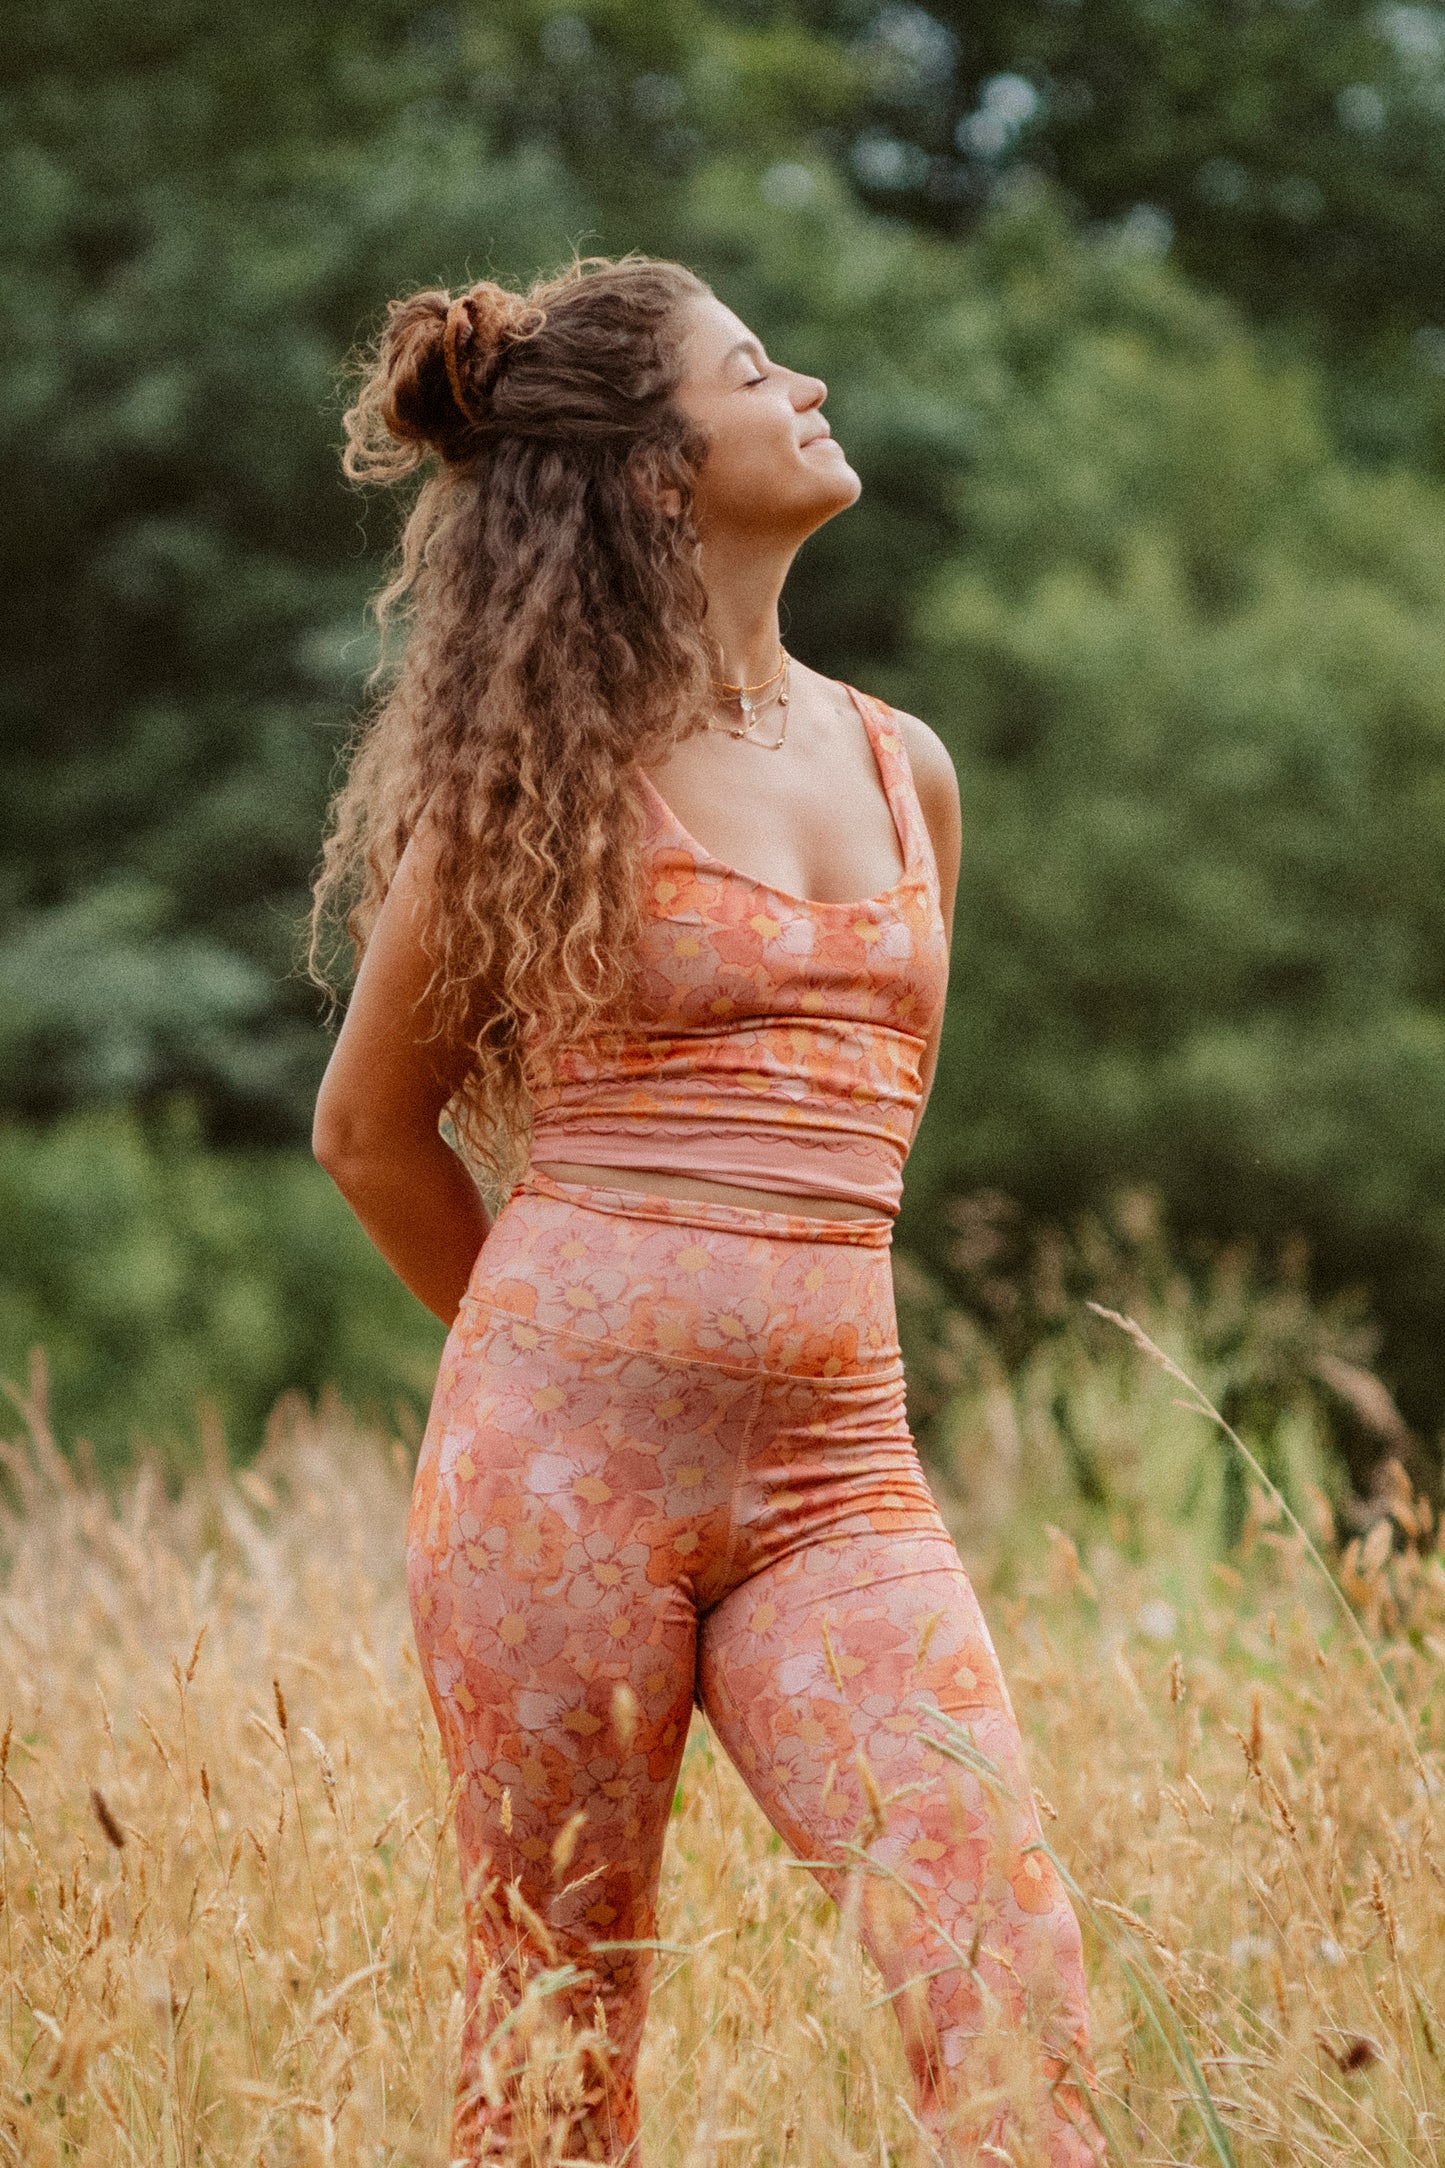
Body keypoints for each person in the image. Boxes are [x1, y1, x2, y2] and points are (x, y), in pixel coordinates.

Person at [309, 253, 1106, 2167]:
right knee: (560, 2034)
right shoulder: (535, 778)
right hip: (555, 1479)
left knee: (1007, 1981)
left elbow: (857, 1141)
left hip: (841, 1474)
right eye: (757, 372)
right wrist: (561, 1375)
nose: (811, 383)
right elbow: (369, 1129)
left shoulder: (902, 767)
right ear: (661, 477)